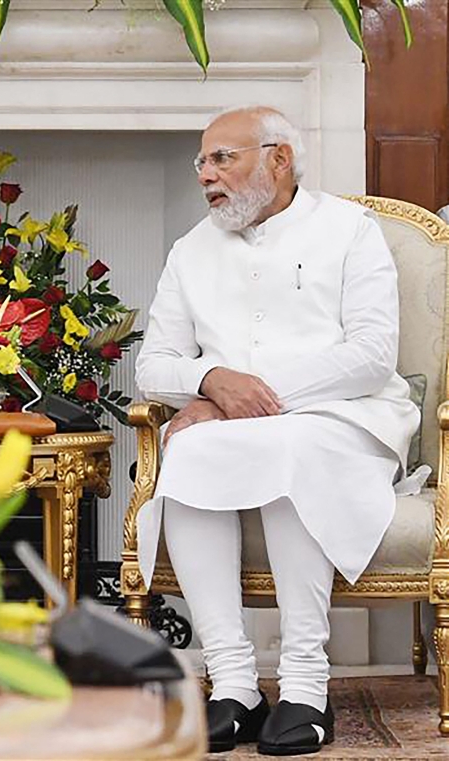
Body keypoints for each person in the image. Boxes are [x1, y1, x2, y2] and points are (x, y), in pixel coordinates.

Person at [134, 106, 419, 756]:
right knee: (189, 447)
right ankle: (233, 684)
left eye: (222, 159)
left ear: (278, 160)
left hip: (347, 416)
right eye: (201, 163)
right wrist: (209, 381)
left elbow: (373, 353)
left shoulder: (350, 230)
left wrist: (251, 395)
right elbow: (154, 365)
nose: (205, 174)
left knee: (289, 444)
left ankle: (305, 687)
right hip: (233, 425)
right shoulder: (190, 250)